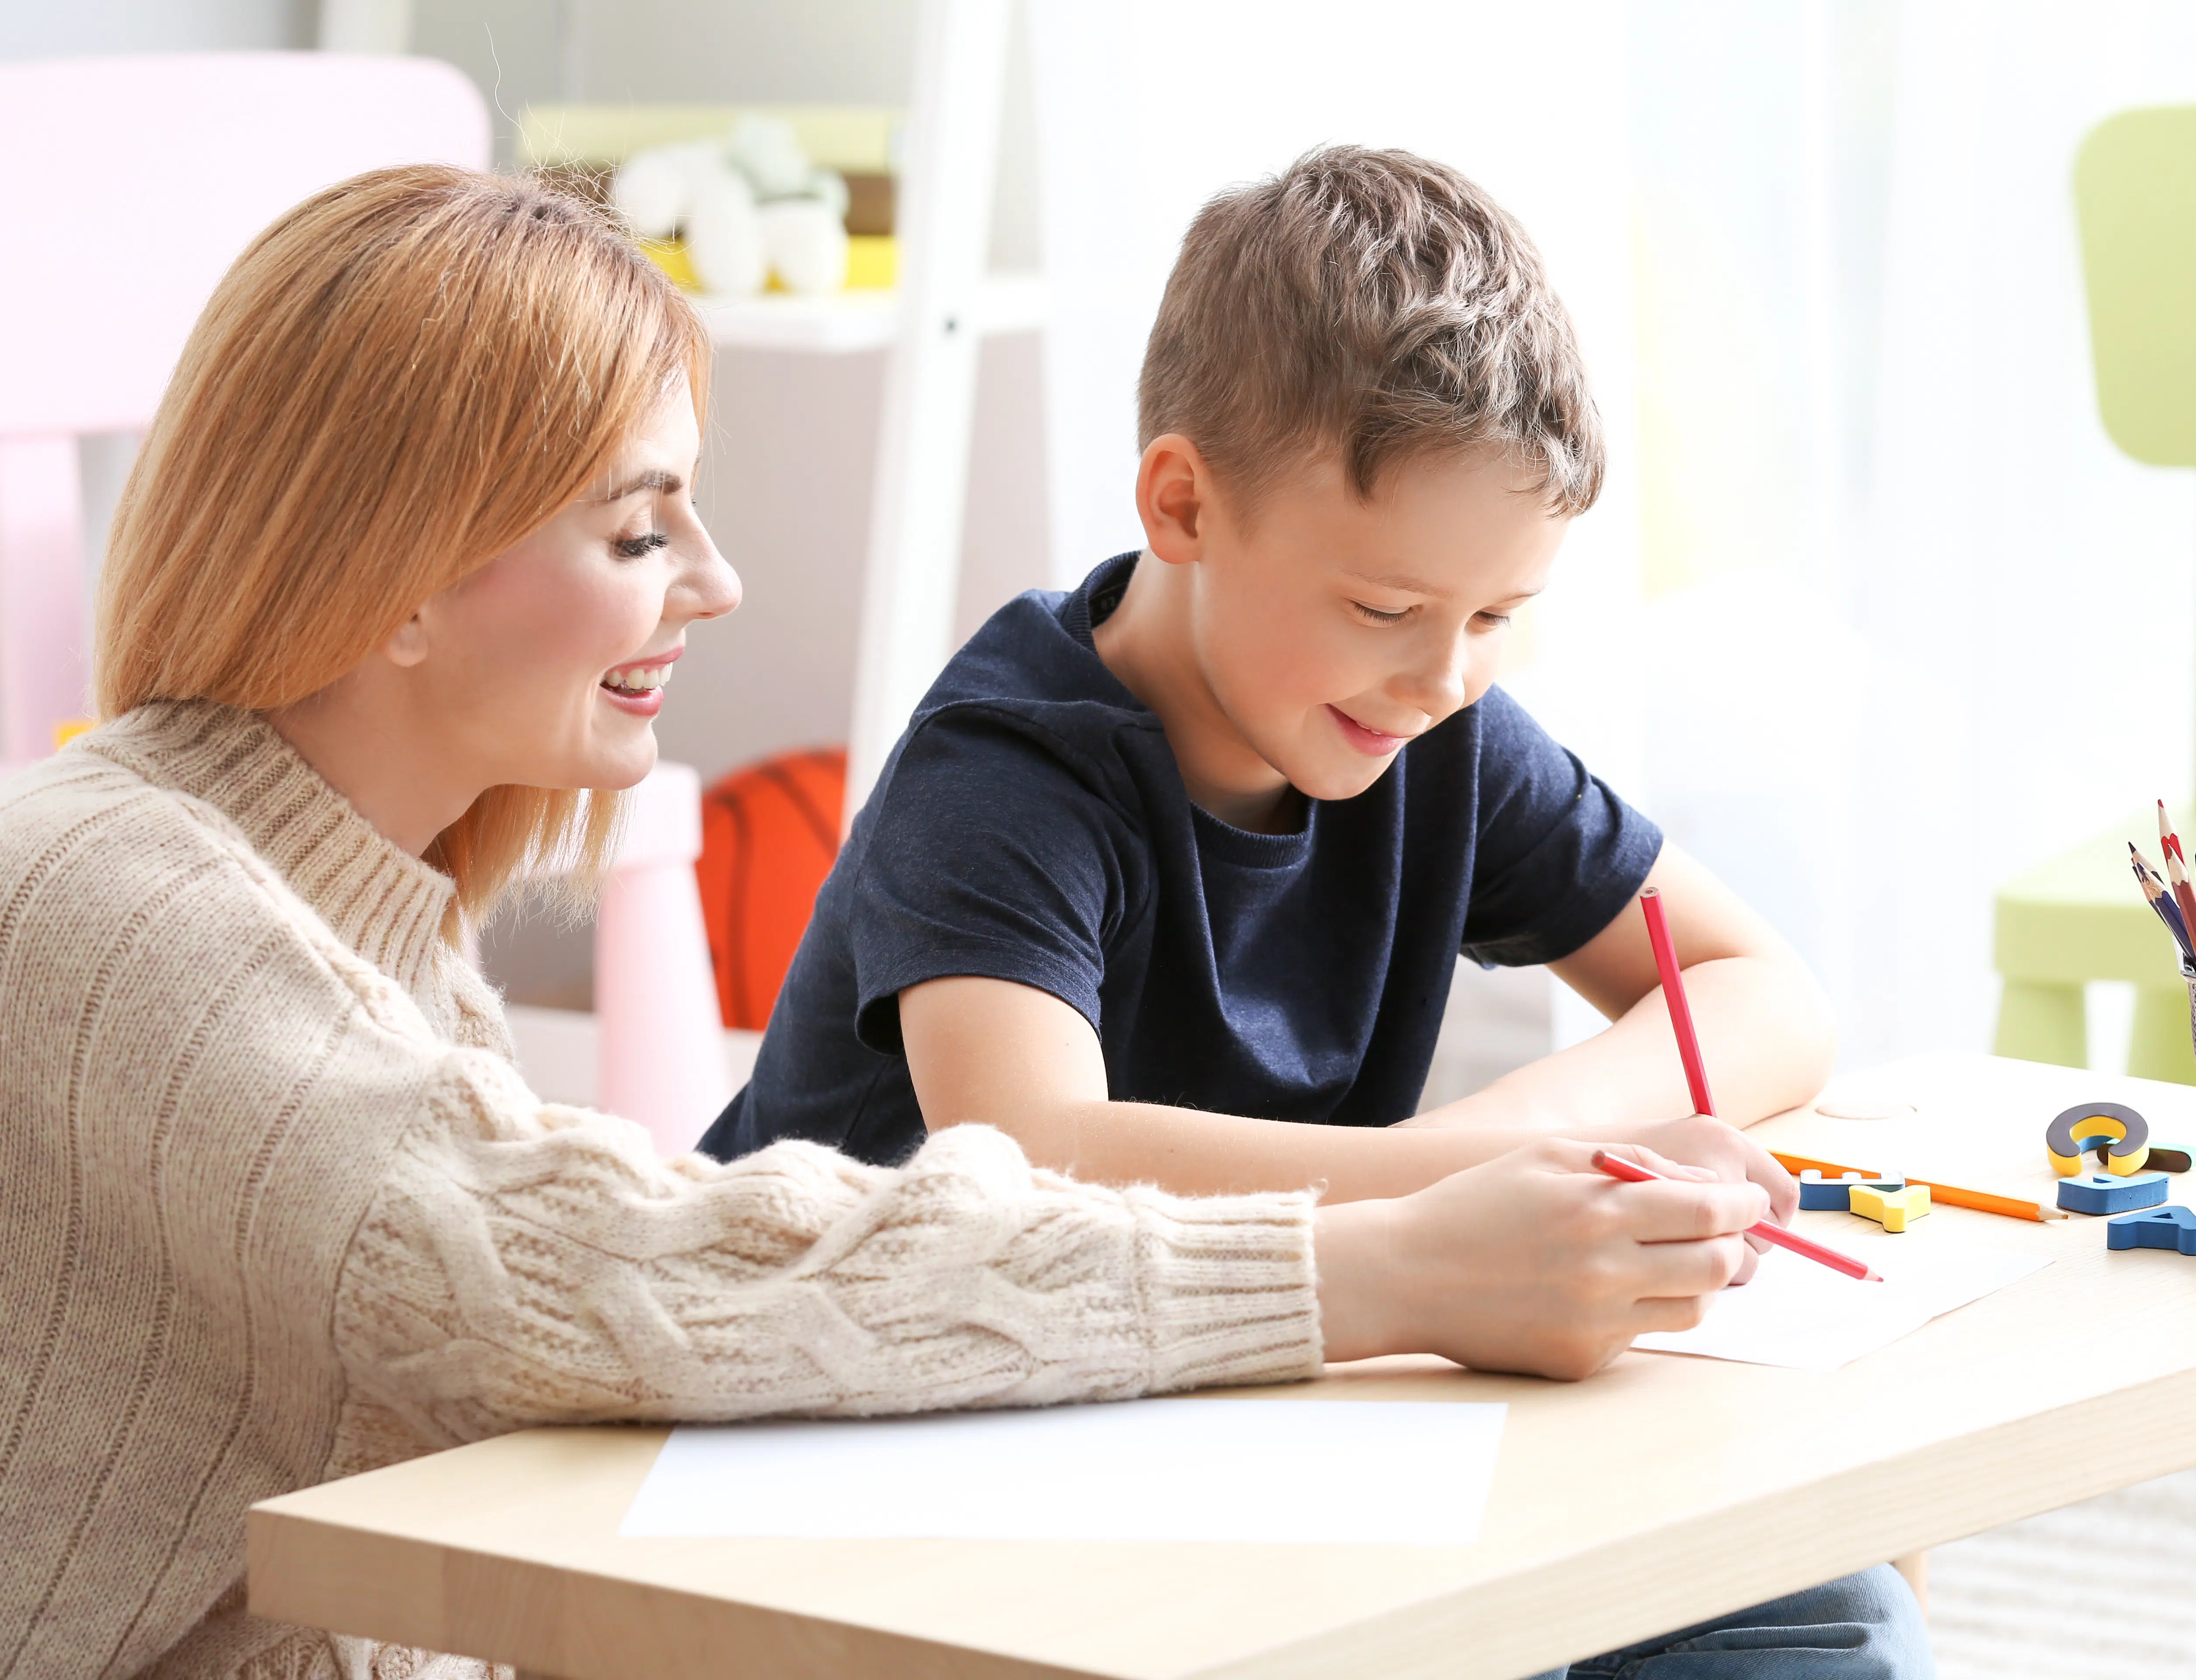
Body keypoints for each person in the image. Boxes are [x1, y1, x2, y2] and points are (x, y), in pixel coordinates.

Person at [0, 166, 1778, 1680]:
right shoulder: (115, 890)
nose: (715, 580)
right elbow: (585, 1278)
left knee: (1785, 1600)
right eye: (638, 528)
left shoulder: (372, 944)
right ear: (394, 578)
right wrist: (1380, 1261)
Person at [705, 146, 1930, 1673]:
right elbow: (1030, 1157)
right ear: (1182, 504)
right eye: (1385, 609)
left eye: (1497, 617)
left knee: (1831, 1608)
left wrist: (1522, 1161)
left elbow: (1762, 992)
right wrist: (1445, 1188)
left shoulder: (1434, 726)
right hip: (904, 1423)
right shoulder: (1007, 770)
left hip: (1259, 1389)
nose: (1443, 677)